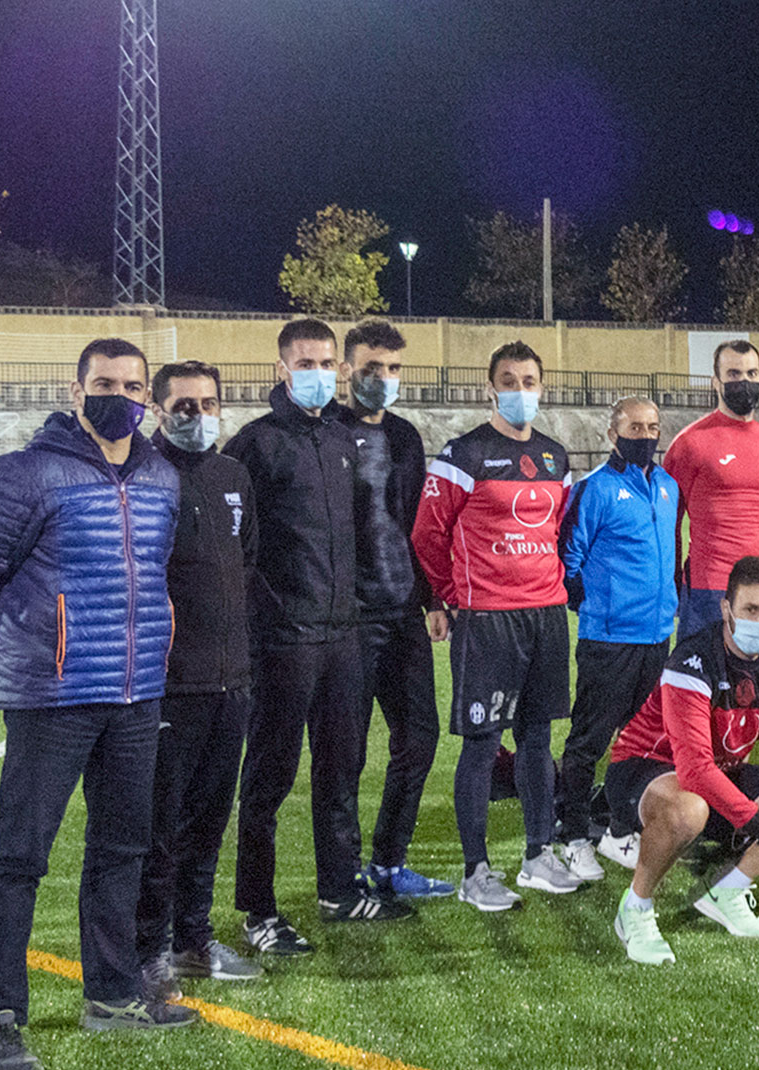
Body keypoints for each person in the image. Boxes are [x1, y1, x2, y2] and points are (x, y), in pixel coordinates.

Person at [0, 338, 190, 1070]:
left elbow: (153, 578)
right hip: (53, 698)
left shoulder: (161, 477)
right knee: (21, 856)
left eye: (131, 385)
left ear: (147, 395)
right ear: (75, 389)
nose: (118, 396)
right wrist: (27, 666)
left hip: (133, 696)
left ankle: (113, 992)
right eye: (104, 383)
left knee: (122, 850)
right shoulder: (24, 473)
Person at [226, 319, 406, 953]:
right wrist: (269, 620)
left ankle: (338, 888)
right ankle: (258, 910)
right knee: (270, 778)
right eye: (308, 362)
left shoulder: (338, 437)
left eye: (328, 362)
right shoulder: (255, 444)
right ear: (281, 368)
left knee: (341, 768)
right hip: (284, 641)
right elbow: (241, 552)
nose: (321, 373)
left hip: (342, 636)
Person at [606, 557, 759, 962]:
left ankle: (729, 889)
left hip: (721, 772)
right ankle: (636, 908)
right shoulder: (694, 660)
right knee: (688, 810)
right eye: (751, 610)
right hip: (646, 769)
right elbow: (695, 771)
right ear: (726, 609)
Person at [412, 341, 577, 911]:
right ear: (490, 387)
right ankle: (476, 870)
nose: (520, 390)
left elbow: (557, 531)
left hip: (546, 614)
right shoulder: (465, 454)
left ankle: (537, 855)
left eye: (529, 380)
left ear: (542, 386)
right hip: (487, 620)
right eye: (509, 380)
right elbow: (427, 535)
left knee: (536, 739)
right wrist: (448, 597)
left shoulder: (556, 457)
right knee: (482, 744)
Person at [134, 360, 261, 999]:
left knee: (210, 819)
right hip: (169, 686)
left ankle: (191, 939)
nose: (199, 415)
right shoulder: (145, 475)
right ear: (159, 411)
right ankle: (147, 951)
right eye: (184, 405)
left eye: (208, 403)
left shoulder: (232, 473)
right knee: (161, 826)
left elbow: (249, 559)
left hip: (230, 681)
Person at [340, 321, 449, 900]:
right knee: (347, 752)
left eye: (392, 369)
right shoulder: (327, 433)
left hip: (403, 611)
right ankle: (345, 870)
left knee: (420, 738)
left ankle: (389, 861)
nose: (382, 379)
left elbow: (416, 527)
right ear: (346, 371)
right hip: (349, 620)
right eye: (371, 368)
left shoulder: (407, 436)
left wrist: (431, 596)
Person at [556, 394, 676, 878]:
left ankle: (617, 829)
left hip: (656, 637)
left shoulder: (668, 487)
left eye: (652, 428)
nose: (645, 436)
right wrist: (596, 606)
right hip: (608, 639)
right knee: (590, 739)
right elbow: (567, 557)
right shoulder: (595, 489)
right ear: (612, 434)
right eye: (634, 427)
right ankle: (571, 835)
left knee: (643, 742)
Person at [665, 339, 759, 637]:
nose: (744, 382)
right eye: (733, 374)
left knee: (751, 681)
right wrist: (672, 583)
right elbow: (669, 524)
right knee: (699, 680)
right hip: (709, 589)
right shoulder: (690, 444)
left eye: (752, 374)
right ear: (716, 382)